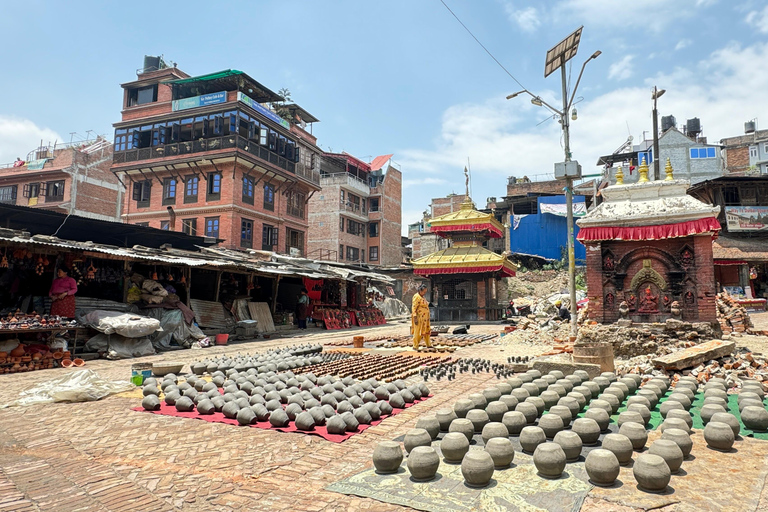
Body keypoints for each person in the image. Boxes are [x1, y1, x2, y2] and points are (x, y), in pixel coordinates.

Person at [411, 284, 432, 350]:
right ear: (420, 291)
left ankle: (428, 344)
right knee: (417, 331)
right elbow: (414, 308)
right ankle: (415, 345)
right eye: (424, 292)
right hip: (419, 317)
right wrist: (415, 317)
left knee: (427, 330)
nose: (424, 293)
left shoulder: (423, 297)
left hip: (425, 318)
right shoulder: (416, 297)